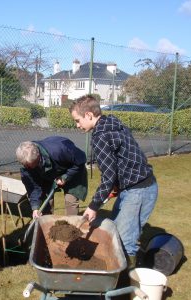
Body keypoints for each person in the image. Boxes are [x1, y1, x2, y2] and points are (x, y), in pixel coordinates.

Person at [69, 95, 158, 268]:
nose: (77, 125)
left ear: (88, 115)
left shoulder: (100, 136)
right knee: (116, 231)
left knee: (124, 243)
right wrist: (116, 187)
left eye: (78, 120)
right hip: (139, 185)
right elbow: (124, 160)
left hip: (138, 190)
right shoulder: (113, 124)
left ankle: (125, 285)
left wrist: (93, 206)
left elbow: (108, 176)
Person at [16, 136, 88, 218]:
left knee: (70, 201)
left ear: (38, 157)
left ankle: (72, 226)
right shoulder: (27, 167)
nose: (28, 168)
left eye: (30, 165)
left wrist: (65, 177)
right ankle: (49, 227)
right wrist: (35, 207)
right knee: (46, 203)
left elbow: (80, 160)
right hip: (47, 174)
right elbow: (33, 187)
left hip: (71, 170)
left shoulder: (60, 149)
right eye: (25, 165)